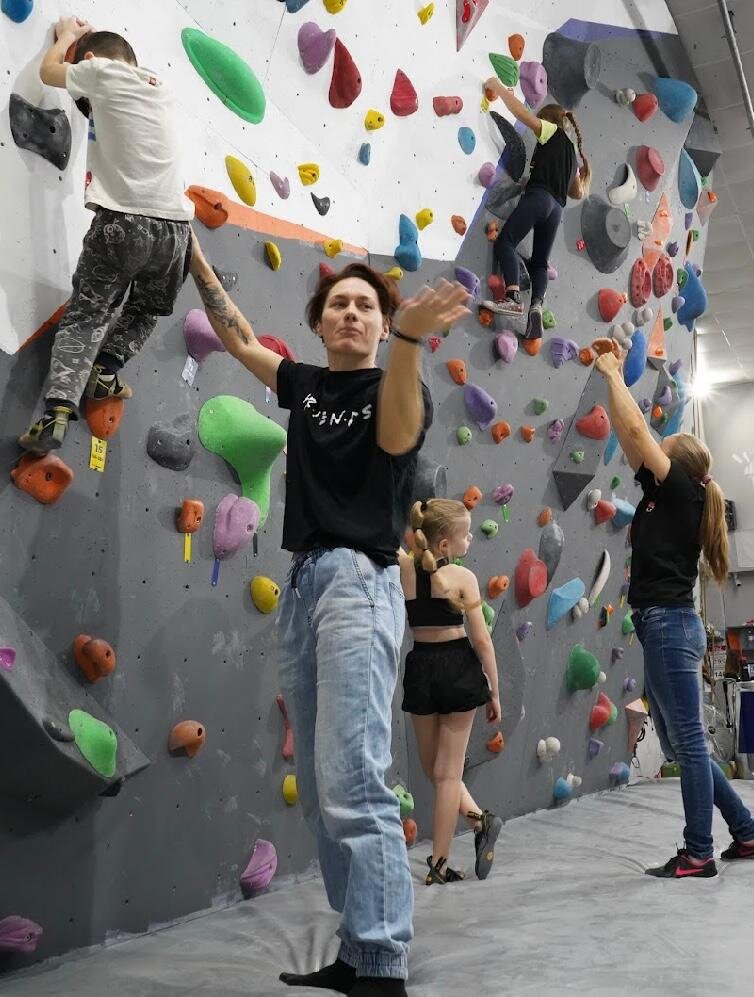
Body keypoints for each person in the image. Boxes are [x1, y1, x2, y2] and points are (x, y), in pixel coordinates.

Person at [188, 233, 469, 996]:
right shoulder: (306, 383)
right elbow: (240, 338)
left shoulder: (398, 383)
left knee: (354, 778)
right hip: (307, 582)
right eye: (339, 303)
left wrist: (410, 342)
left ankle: (381, 962)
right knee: (320, 790)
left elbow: (397, 435)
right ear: (318, 323)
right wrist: (196, 260)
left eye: (366, 306)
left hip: (357, 582)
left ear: (383, 325)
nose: (351, 312)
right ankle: (357, 945)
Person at [595, 346, 754, 879]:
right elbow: (630, 438)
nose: (651, 455)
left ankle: (698, 852)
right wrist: (608, 383)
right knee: (681, 745)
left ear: (677, 467)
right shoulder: (661, 495)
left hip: (667, 624)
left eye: (662, 452)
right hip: (662, 625)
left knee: (687, 744)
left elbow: (638, 433)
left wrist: (615, 372)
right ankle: (747, 832)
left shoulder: (683, 490)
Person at [19, 17, 193, 454]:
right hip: (175, 233)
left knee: (88, 314)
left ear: (92, 61)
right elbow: (105, 115)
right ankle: (107, 368)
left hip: (124, 223)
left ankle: (57, 412)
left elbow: (49, 72)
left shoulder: (100, 70)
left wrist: (66, 38)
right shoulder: (160, 88)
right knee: (147, 308)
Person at [399, 499, 503, 886]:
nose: (471, 539)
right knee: (441, 773)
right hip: (456, 666)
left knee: (440, 773)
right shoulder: (462, 577)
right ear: (444, 544)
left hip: (423, 667)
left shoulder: (403, 568)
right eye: (466, 534)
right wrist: (494, 691)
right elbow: (483, 641)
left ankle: (441, 862)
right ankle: (480, 822)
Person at [481, 77, 592, 340]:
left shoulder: (552, 132)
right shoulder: (572, 155)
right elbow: (576, 192)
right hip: (556, 210)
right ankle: (537, 307)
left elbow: (522, 113)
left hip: (540, 198)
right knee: (540, 262)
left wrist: (498, 88)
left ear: (549, 121)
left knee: (506, 242)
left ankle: (512, 297)